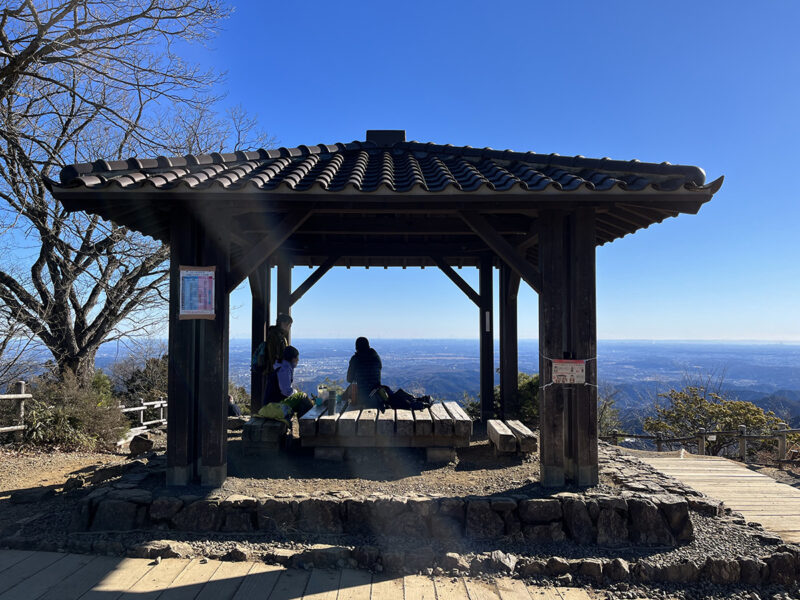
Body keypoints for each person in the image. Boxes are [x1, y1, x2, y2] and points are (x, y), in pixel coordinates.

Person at [259, 345, 311, 425]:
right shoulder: (284, 369)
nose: (298, 360)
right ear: (293, 359)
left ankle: (305, 430)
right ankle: (307, 429)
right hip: (275, 407)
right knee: (303, 397)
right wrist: (296, 392)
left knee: (301, 401)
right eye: (297, 358)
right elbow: (286, 392)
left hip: (271, 406)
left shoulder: (280, 367)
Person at [346, 337, 384, 407]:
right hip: (376, 395)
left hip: (360, 397)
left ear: (356, 347)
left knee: (347, 393)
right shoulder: (376, 357)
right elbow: (379, 369)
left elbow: (349, 379)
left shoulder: (355, 359)